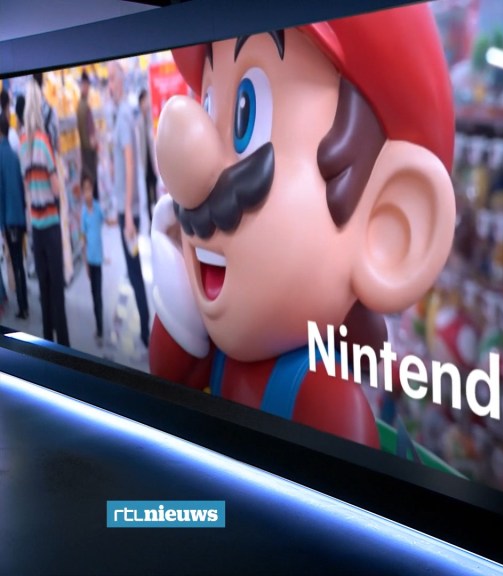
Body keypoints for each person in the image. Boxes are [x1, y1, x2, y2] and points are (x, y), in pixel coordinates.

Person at [148, 5, 455, 447]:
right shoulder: (217, 347)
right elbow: (167, 380)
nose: (192, 178)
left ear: (387, 222)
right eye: (208, 105)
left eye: (246, 117)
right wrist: (178, 301)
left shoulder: (324, 400)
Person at [19, 80, 69, 346]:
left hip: (36, 229)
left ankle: (48, 345)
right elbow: (55, 187)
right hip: (50, 227)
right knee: (57, 291)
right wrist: (60, 181)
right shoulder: (42, 142)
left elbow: (27, 187)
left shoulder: (23, 145)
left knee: (44, 289)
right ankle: (66, 351)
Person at [108, 60, 150, 349]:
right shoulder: (123, 114)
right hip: (127, 207)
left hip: (128, 210)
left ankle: (146, 330)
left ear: (121, 81)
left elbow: (130, 163)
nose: (109, 85)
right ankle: (146, 327)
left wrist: (127, 216)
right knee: (133, 269)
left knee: (134, 271)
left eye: (112, 79)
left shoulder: (123, 116)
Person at [0, 109, 28, 318]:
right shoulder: (14, 155)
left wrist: (1, 224)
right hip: (19, 216)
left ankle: (22, 306)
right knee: (20, 261)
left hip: (8, 219)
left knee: (15, 261)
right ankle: (24, 302)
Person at [80, 173, 105, 345]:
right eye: (85, 190)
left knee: (99, 294)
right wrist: (85, 264)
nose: (88, 193)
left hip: (99, 259)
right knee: (94, 294)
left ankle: (100, 328)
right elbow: (83, 240)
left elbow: (105, 221)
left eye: (89, 189)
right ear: (83, 192)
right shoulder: (83, 212)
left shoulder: (97, 208)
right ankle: (99, 326)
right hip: (90, 260)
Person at [137, 88, 158, 221]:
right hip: (145, 163)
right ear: (140, 103)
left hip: (152, 161)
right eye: (145, 100)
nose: (147, 103)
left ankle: (156, 215)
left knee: (155, 189)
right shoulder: (139, 123)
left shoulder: (151, 120)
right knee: (147, 190)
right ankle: (151, 219)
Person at [76, 71, 99, 189]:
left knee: (88, 182)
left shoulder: (79, 105)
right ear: (84, 86)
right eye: (87, 85)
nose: (88, 88)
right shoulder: (85, 106)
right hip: (89, 151)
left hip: (83, 151)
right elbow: (91, 137)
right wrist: (95, 145)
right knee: (92, 181)